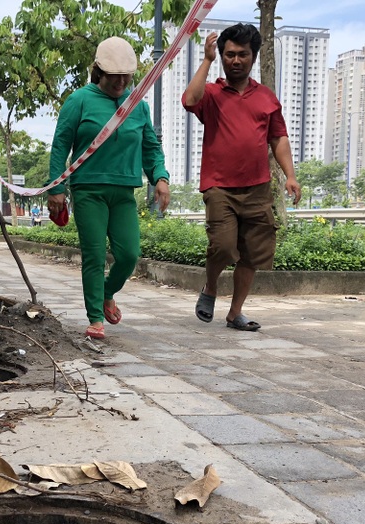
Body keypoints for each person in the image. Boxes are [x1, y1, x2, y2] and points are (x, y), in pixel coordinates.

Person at [48, 36, 171, 340]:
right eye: (113, 76)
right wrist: (56, 187)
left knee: (129, 254)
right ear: (98, 71)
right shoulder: (79, 100)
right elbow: (60, 144)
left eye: (126, 76)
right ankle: (95, 318)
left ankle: (106, 294)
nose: (120, 82)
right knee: (94, 255)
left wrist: (161, 177)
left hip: (124, 191)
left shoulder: (137, 107)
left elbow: (151, 149)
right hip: (88, 189)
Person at [183, 23, 301, 331]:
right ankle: (210, 287)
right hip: (219, 185)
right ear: (222, 56)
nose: (236, 60)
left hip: (258, 187)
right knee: (222, 246)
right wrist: (206, 61)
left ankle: (235, 312)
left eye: (243, 55)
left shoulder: (266, 98)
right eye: (229, 54)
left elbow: (279, 138)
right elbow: (189, 100)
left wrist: (290, 175)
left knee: (253, 253)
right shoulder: (211, 94)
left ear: (254, 56)